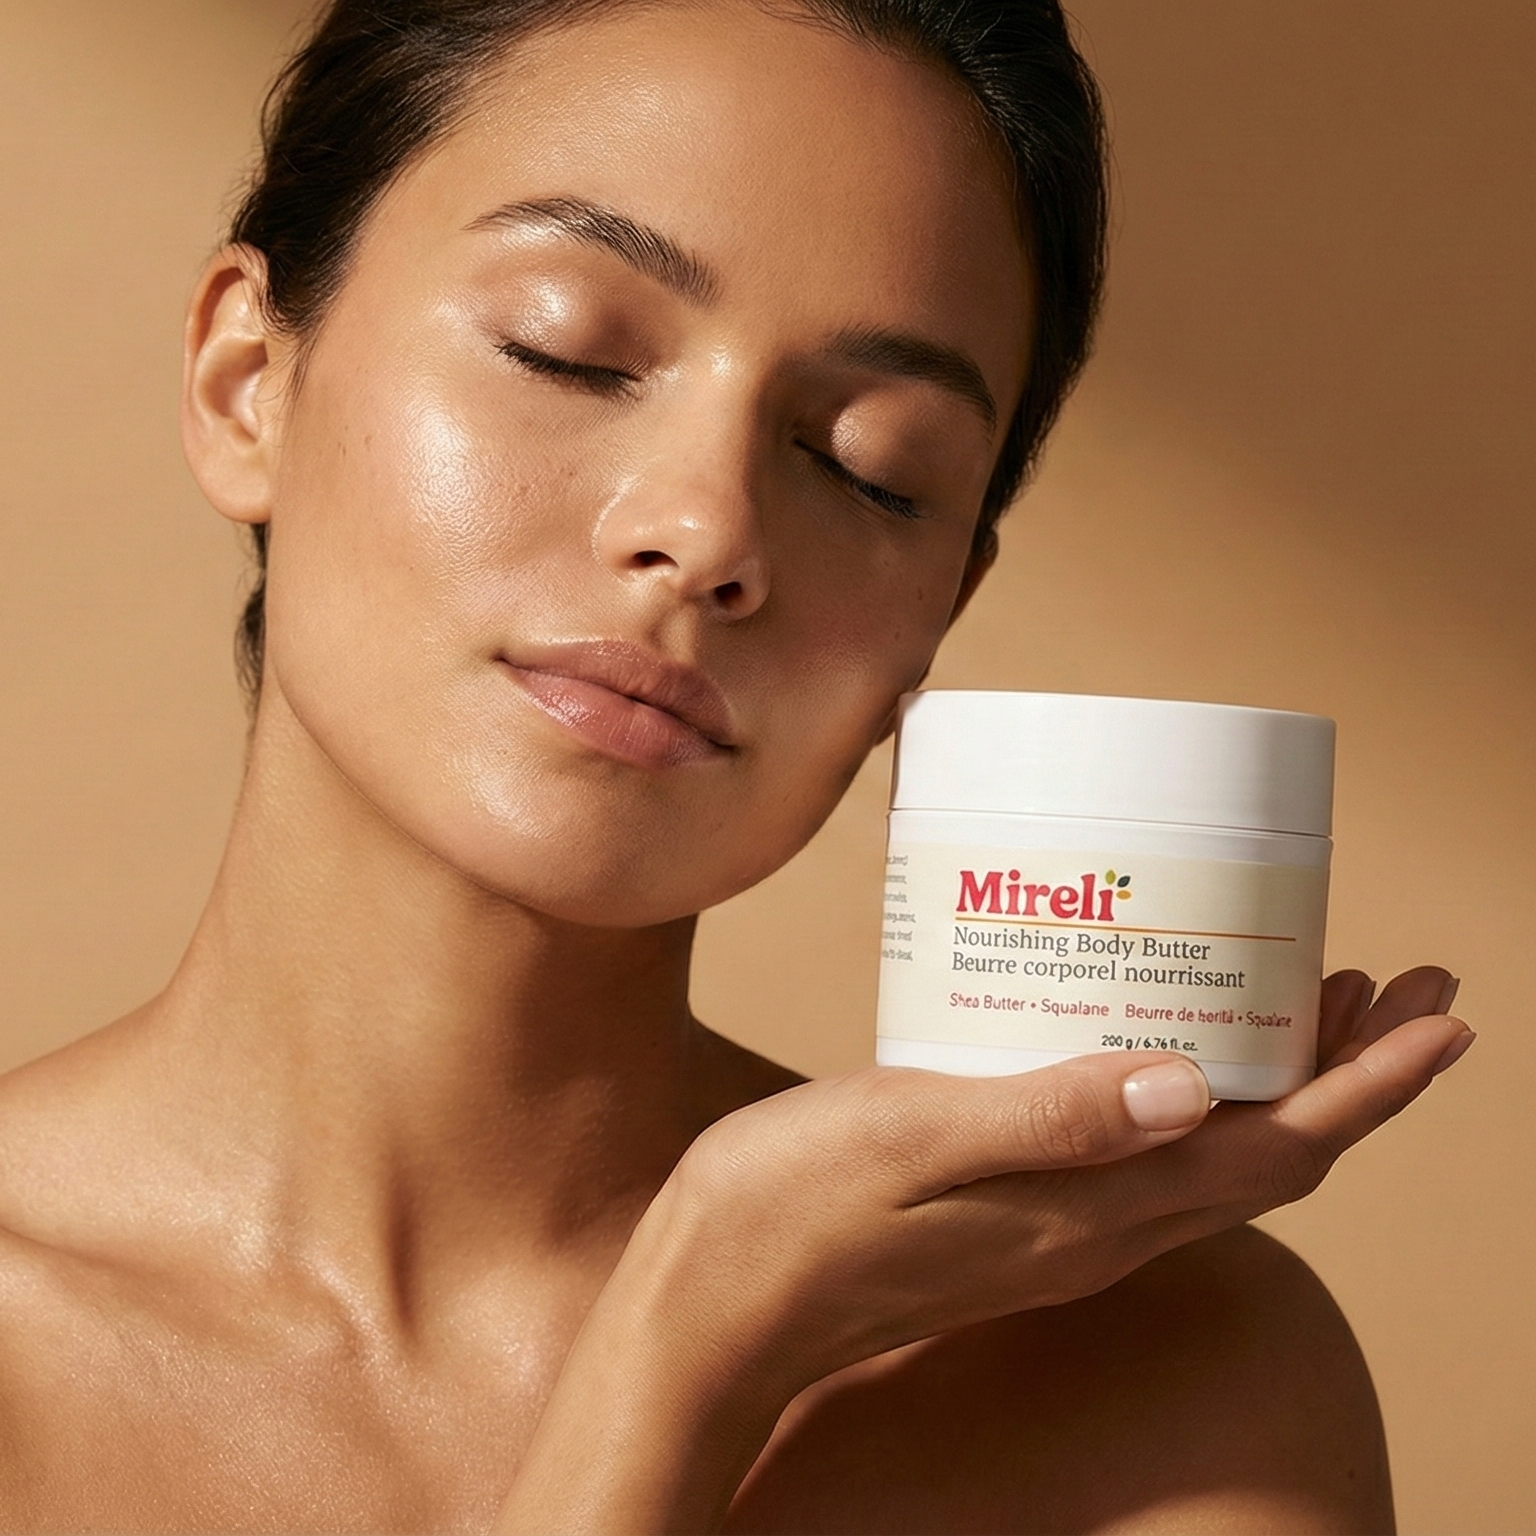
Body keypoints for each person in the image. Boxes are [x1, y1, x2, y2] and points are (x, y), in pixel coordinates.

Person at [0, 0, 1472, 1530]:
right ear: (250, 381)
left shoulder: (1173, 1389)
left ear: (940, 612)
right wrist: (684, 1359)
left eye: (869, 468)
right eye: (564, 352)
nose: (708, 534)